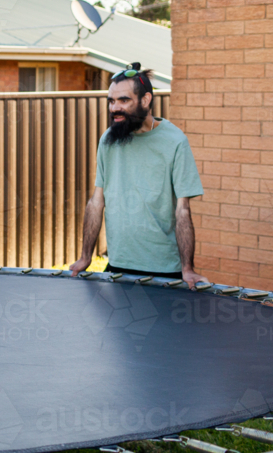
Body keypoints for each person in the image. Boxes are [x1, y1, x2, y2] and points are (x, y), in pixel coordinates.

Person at [70, 63, 210, 290]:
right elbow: (97, 201)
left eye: (124, 100)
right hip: (118, 264)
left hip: (164, 269)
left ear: (145, 101)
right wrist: (86, 257)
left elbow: (182, 210)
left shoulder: (175, 141)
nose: (115, 108)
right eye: (111, 101)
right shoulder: (109, 139)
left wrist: (187, 268)